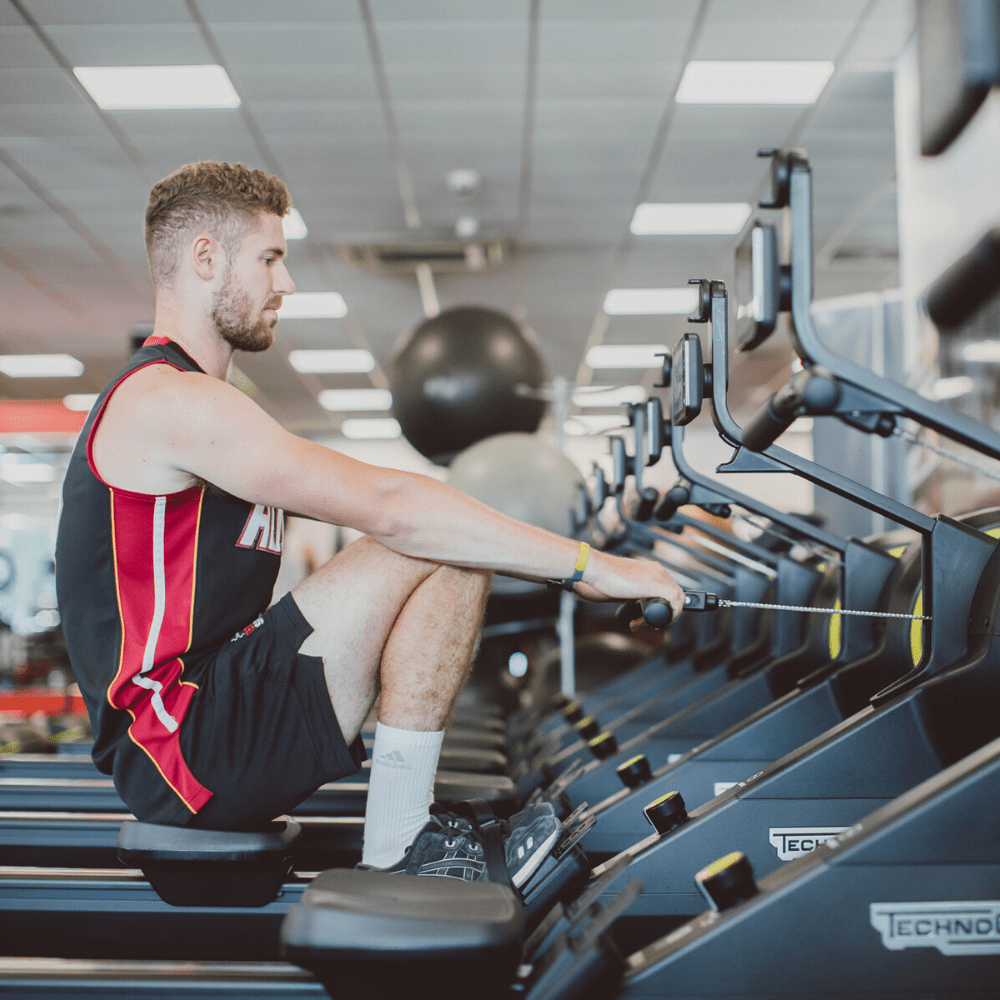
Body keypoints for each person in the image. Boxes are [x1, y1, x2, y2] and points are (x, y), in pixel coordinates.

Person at [54, 161, 684, 883]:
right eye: (269, 259)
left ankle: (404, 834)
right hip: (185, 743)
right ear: (205, 257)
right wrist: (591, 566)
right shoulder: (166, 401)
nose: (284, 283)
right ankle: (401, 845)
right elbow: (395, 510)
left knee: (444, 540)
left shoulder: (202, 404)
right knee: (433, 540)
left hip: (215, 712)